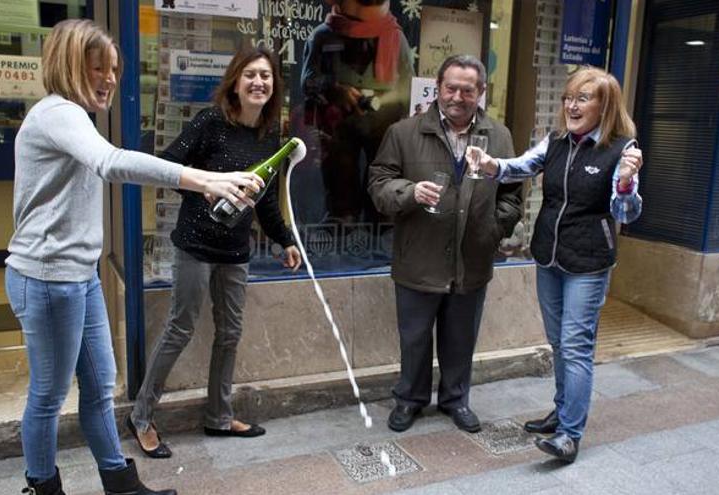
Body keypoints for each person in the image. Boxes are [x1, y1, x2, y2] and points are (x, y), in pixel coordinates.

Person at [5, 19, 262, 495]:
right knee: (48, 396)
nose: (108, 78)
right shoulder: (56, 113)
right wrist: (202, 179)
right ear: (68, 64)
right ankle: (42, 487)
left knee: (100, 387)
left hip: (79, 276)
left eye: (114, 69)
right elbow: (111, 162)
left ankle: (120, 483)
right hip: (45, 278)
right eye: (96, 66)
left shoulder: (75, 118)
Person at [129, 46, 302, 459]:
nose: (259, 82)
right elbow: (167, 167)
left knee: (229, 334)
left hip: (235, 252)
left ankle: (219, 416)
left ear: (273, 86)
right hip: (194, 245)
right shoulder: (211, 123)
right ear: (235, 82)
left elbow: (265, 203)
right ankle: (140, 416)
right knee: (180, 328)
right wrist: (210, 183)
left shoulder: (269, 139)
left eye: (266, 76)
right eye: (250, 75)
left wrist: (285, 240)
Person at [470, 66, 644, 463]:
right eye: (569, 97)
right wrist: (488, 163)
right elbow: (520, 167)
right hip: (548, 255)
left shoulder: (622, 150)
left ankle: (569, 433)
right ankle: (563, 410)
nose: (572, 104)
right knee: (558, 343)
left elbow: (627, 212)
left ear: (605, 105)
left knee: (576, 346)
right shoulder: (556, 142)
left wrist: (624, 184)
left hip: (588, 263)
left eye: (583, 98)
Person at [367, 54, 523, 434]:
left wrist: (491, 230)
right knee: (415, 338)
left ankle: (456, 399)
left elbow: (513, 195)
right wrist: (408, 191)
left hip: (471, 260)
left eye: (467, 90)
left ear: (480, 93)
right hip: (418, 257)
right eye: (450, 88)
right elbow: (378, 185)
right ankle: (410, 399)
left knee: (461, 337)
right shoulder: (404, 133)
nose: (457, 96)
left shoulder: (499, 136)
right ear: (437, 88)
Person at [302, 0, 414, 224]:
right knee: (340, 180)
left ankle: (380, 223)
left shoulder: (394, 37)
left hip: (384, 125)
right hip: (339, 127)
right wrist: (333, 88)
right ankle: (342, 218)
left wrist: (386, 102)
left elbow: (409, 86)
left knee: (383, 180)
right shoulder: (323, 36)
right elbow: (308, 81)